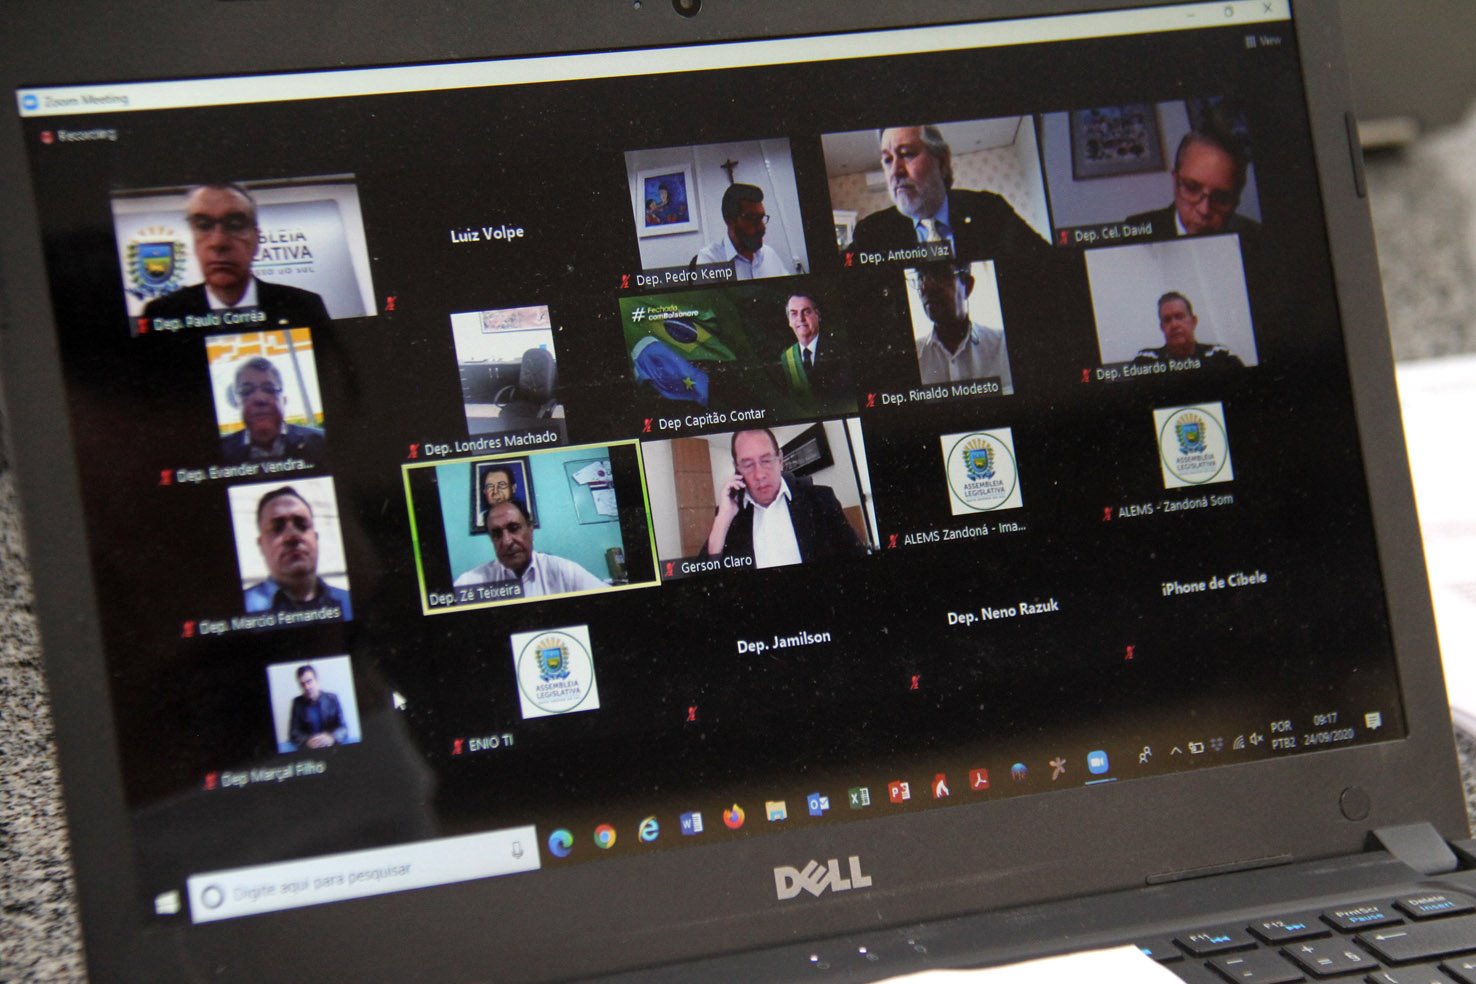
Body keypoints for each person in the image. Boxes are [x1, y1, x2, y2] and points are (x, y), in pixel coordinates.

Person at [847, 125, 1047, 261]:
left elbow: (1048, 263)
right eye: (888, 160)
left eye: (907, 154)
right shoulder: (871, 232)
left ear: (942, 162)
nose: (895, 171)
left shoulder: (990, 210)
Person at [142, 183, 330, 326]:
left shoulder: (305, 307)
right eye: (203, 226)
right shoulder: (161, 314)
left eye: (235, 225)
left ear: (256, 239)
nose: (218, 242)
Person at [698, 428, 864, 569]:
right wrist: (722, 521)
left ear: (780, 460)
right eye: (748, 465)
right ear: (737, 468)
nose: (759, 475)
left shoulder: (821, 500)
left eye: (766, 460)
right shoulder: (728, 515)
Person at [1126, 131, 1262, 240]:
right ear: (1175, 180)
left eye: (1222, 198)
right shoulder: (1135, 230)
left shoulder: (1256, 237)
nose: (1204, 210)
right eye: (1192, 188)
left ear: (1236, 200)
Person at [455, 499, 606, 596]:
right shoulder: (471, 582)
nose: (506, 541)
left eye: (514, 528)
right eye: (496, 534)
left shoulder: (564, 571)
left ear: (530, 529)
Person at [244, 486, 353, 618]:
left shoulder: (350, 603)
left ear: (315, 537)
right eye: (277, 527)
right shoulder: (243, 607)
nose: (292, 536)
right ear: (261, 545)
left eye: (301, 524)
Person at [912, 261, 1013, 391]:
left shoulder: (1002, 346)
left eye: (939, 274)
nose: (926, 285)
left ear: (967, 285)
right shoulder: (915, 355)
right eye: (920, 277)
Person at [220, 356, 327, 465]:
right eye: (247, 391)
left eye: (269, 389)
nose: (260, 398)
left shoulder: (325, 442)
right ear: (237, 403)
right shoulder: (219, 451)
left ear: (284, 400)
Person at [694, 183, 790, 280]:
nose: (762, 227)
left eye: (761, 218)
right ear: (729, 220)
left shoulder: (769, 254)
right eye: (753, 219)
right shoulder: (710, 260)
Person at [1132, 291, 1245, 368]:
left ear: (1193, 321)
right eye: (1167, 320)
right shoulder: (1146, 359)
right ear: (1162, 327)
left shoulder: (1220, 354)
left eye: (1179, 316)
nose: (1174, 324)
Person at [778, 292, 851, 403]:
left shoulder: (840, 351)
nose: (800, 319)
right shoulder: (786, 358)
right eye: (794, 314)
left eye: (806, 312)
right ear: (789, 321)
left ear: (818, 315)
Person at [288, 664, 349, 750]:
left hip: (332, 747)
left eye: (309, 681)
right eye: (302, 684)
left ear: (317, 680)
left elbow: (343, 728)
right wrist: (307, 741)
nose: (306, 687)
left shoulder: (332, 698)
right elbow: (293, 733)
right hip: (309, 750)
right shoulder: (297, 702)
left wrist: (332, 737)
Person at [477, 465, 518, 529]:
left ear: (513, 488)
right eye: (490, 486)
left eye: (501, 485)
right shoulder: (480, 519)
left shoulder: (522, 515)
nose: (495, 491)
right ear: (484, 491)